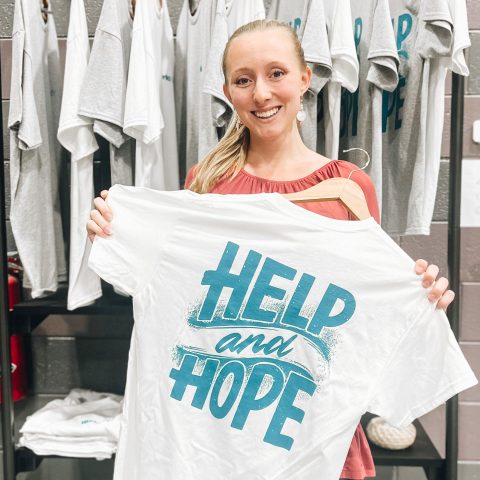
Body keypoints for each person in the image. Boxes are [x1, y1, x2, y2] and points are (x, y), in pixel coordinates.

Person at [87, 19, 455, 480]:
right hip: (218, 440)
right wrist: (114, 231)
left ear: (305, 78)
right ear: (228, 91)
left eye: (276, 73)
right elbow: (182, 309)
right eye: (244, 80)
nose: (261, 94)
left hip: (311, 438)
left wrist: (418, 298)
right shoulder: (206, 184)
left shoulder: (347, 189)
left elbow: (364, 314)